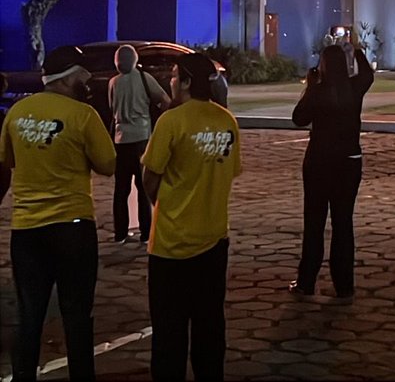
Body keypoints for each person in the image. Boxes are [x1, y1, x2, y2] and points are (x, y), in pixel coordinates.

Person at [0, 44, 116, 382]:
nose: (88, 82)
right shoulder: (83, 115)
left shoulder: (18, 112)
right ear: (67, 79)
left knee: (30, 313)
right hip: (73, 227)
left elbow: (6, 159)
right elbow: (108, 164)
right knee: (77, 313)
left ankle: (24, 376)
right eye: (83, 76)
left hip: (26, 230)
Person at [141, 51, 242, 382]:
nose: (170, 81)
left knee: (169, 332)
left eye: (173, 75)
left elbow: (150, 176)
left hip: (171, 245)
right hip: (214, 238)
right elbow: (230, 171)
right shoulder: (227, 120)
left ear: (185, 81)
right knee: (209, 325)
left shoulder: (171, 121)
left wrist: (164, 206)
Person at [290, 30, 374, 300]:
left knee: (314, 223)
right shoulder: (354, 88)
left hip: (319, 164)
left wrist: (310, 86)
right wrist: (356, 49)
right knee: (343, 223)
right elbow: (368, 74)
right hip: (349, 162)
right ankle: (344, 285)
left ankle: (306, 281)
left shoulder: (319, 92)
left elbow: (298, 118)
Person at [108, 44, 170, 244]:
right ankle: (146, 232)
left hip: (120, 139)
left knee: (121, 189)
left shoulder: (113, 83)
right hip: (142, 137)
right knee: (143, 187)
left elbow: (111, 107)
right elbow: (163, 100)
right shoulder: (144, 78)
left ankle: (120, 233)